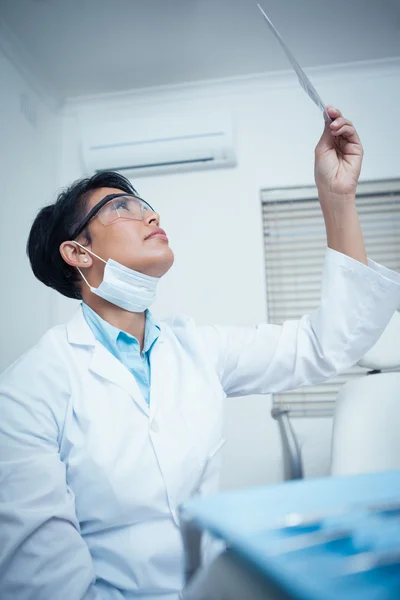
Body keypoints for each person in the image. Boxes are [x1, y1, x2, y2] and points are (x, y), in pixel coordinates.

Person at [0, 106, 399, 600]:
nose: (150, 214)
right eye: (120, 207)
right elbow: (46, 588)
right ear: (78, 252)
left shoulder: (198, 349)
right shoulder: (30, 387)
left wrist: (337, 199)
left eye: (142, 203)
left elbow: (327, 344)